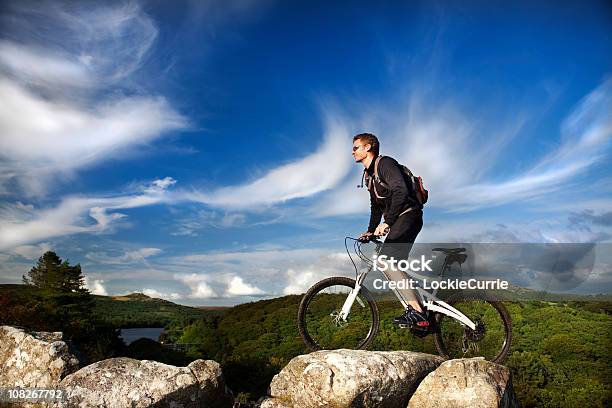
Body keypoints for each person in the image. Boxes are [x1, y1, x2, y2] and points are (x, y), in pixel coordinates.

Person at [352, 132, 429, 328]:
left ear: (368, 147)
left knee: (386, 260)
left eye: (356, 147)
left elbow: (400, 189)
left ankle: (417, 312)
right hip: (399, 219)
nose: (352, 152)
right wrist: (370, 230)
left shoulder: (384, 164)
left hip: (409, 215)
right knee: (393, 268)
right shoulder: (369, 176)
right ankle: (422, 309)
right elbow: (375, 207)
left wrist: (388, 222)